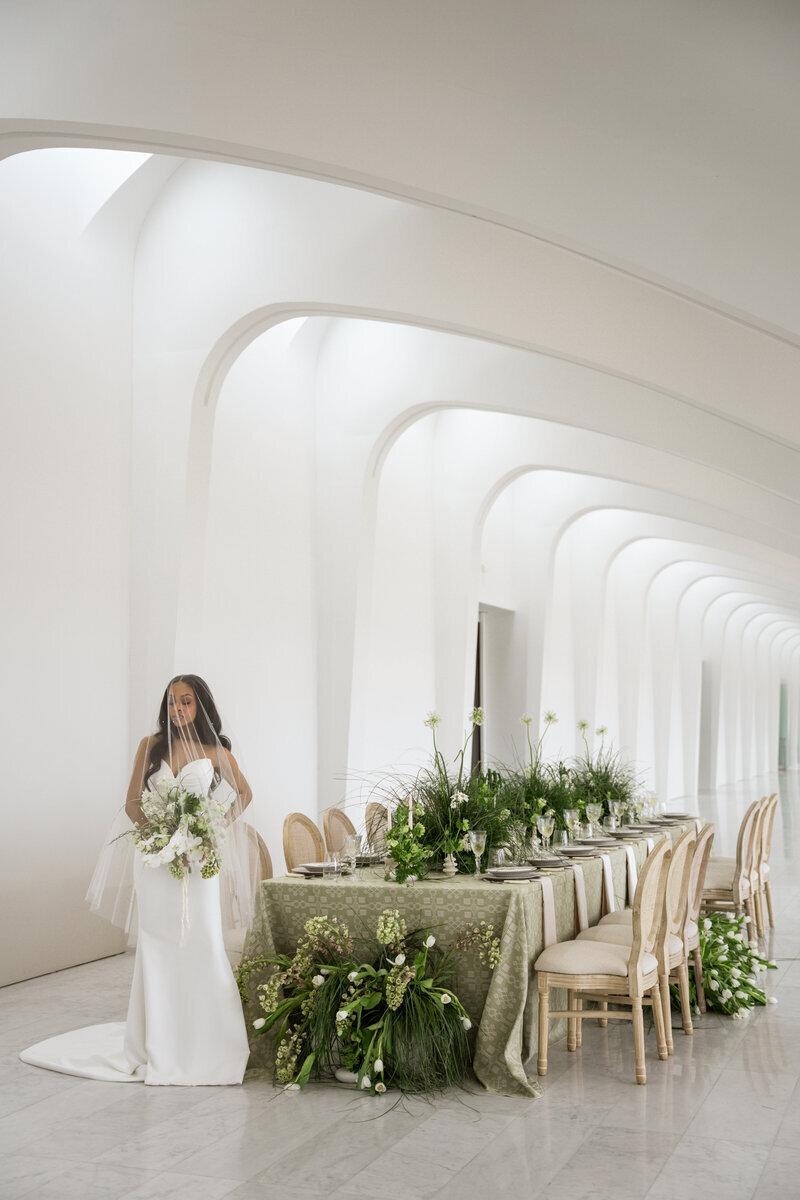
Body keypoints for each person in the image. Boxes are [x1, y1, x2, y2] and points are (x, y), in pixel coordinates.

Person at [20, 675, 256, 1086]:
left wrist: (208, 832)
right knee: (159, 946)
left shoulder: (216, 752)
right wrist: (160, 836)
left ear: (201, 706)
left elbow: (245, 795)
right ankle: (156, 1043)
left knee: (201, 942)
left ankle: (209, 1040)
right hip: (154, 861)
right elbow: (131, 802)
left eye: (186, 702)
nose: (178, 709)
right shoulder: (150, 746)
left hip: (197, 863)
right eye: (172, 703)